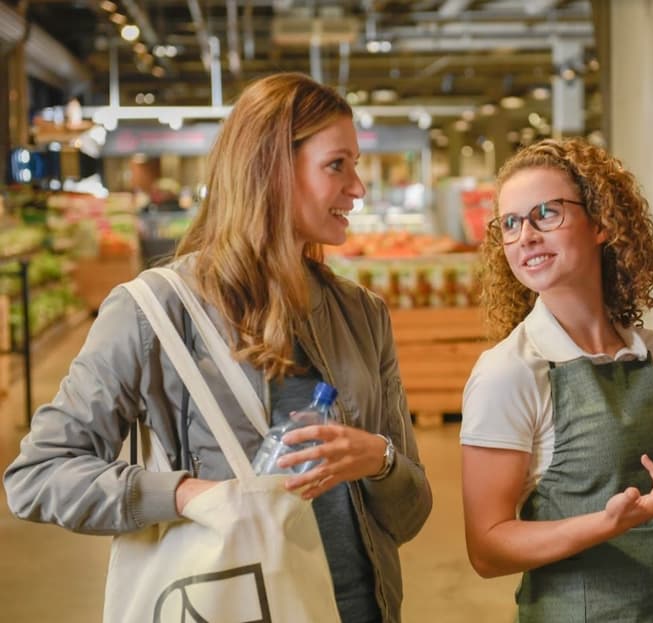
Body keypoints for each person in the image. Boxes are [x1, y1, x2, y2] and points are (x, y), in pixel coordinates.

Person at [4, 72, 432, 623]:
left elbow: (411, 513)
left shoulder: (362, 315)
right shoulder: (152, 314)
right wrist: (183, 495)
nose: (358, 188)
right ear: (272, 169)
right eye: (337, 165)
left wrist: (379, 460)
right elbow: (37, 476)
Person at [460, 138, 653, 622]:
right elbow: (487, 549)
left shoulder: (650, 352)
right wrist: (604, 524)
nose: (524, 235)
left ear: (602, 223)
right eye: (510, 223)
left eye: (546, 213)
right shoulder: (510, 372)